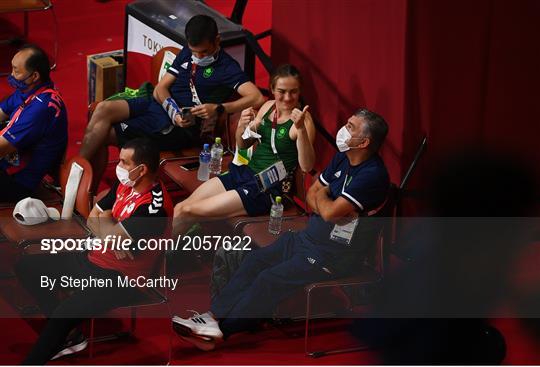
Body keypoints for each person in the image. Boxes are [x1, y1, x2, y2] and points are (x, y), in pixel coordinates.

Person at [172, 108, 390, 350]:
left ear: (364, 141)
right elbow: (312, 195)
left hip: (333, 255)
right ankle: (213, 317)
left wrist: (325, 202)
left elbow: (326, 211)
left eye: (350, 127)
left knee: (270, 278)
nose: (343, 129)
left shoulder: (372, 176)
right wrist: (328, 203)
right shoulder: (343, 158)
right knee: (255, 260)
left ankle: (221, 332)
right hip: (308, 237)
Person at [15, 138, 173, 364]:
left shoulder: (154, 208)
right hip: (94, 259)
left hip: (123, 280)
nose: (118, 167)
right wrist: (109, 228)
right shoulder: (127, 184)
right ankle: (69, 335)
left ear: (142, 169)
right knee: (27, 266)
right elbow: (92, 218)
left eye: (123, 162)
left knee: (65, 312)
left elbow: (107, 227)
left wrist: (106, 223)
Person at [80, 14, 264, 192]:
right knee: (104, 108)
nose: (198, 57)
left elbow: (256, 97)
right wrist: (173, 111)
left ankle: (82, 186)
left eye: (204, 52)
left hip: (177, 127)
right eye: (194, 52)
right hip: (162, 107)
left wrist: (219, 108)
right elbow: (161, 88)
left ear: (217, 41)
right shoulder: (187, 53)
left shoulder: (227, 67)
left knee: (103, 135)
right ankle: (75, 172)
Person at [172, 64, 316, 236]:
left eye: (293, 92)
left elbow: (307, 166)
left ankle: (155, 256)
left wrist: (300, 130)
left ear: (300, 91)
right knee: (180, 208)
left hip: (265, 190)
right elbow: (244, 144)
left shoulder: (303, 121)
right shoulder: (268, 107)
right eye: (281, 91)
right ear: (272, 89)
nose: (287, 98)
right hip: (244, 173)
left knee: (188, 211)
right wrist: (242, 126)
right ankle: (161, 253)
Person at [0, 44, 67, 202]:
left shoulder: (40, 109)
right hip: (8, 163)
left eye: (16, 71)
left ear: (34, 76)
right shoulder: (27, 91)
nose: (11, 75)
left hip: (18, 183)